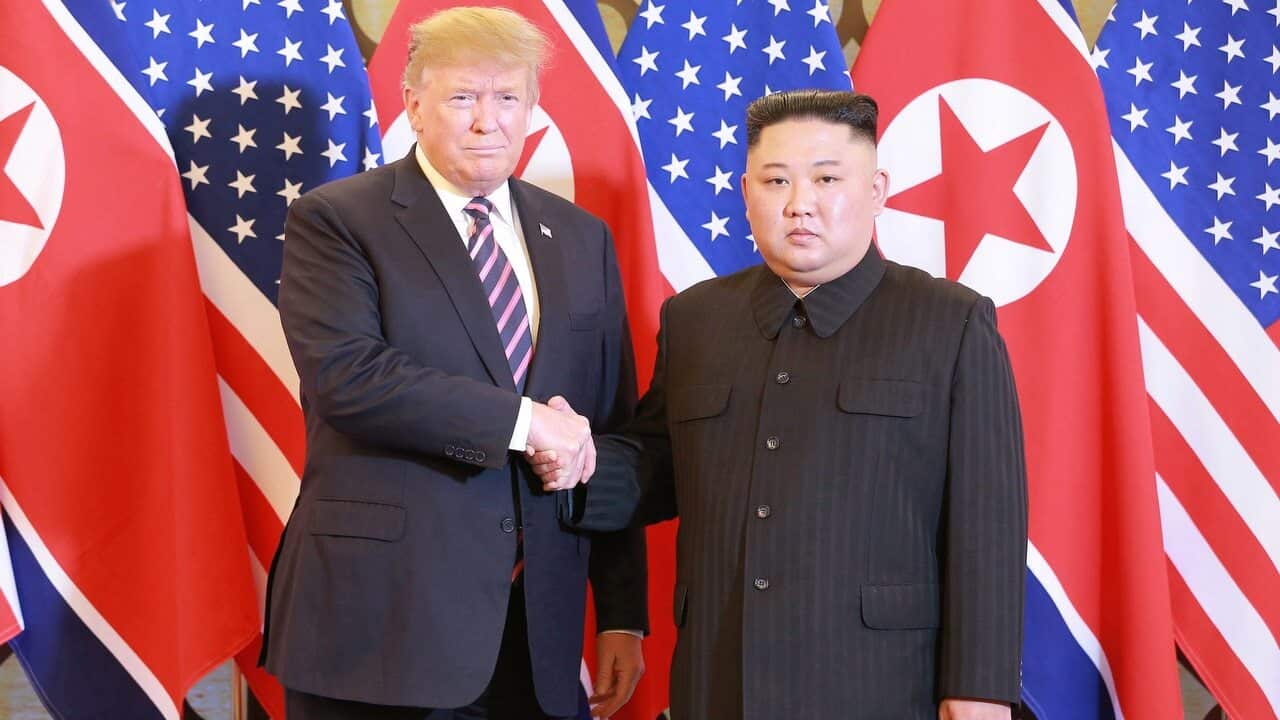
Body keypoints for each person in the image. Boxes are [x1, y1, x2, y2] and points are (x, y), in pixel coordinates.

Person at [535, 90, 1028, 720]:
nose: (800, 204)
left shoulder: (951, 322)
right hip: (720, 674)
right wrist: (573, 460)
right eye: (776, 181)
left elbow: (987, 522)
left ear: (876, 189)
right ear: (746, 191)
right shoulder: (696, 318)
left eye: (827, 178)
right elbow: (658, 468)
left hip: (878, 682)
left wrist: (979, 688)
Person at [260, 7, 647, 719]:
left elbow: (607, 429)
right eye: (463, 97)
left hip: (540, 638)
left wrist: (622, 611)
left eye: (508, 99)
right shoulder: (338, 219)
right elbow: (351, 379)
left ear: (531, 110)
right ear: (414, 104)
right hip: (383, 629)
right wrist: (528, 424)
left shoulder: (581, 238)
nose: (487, 121)